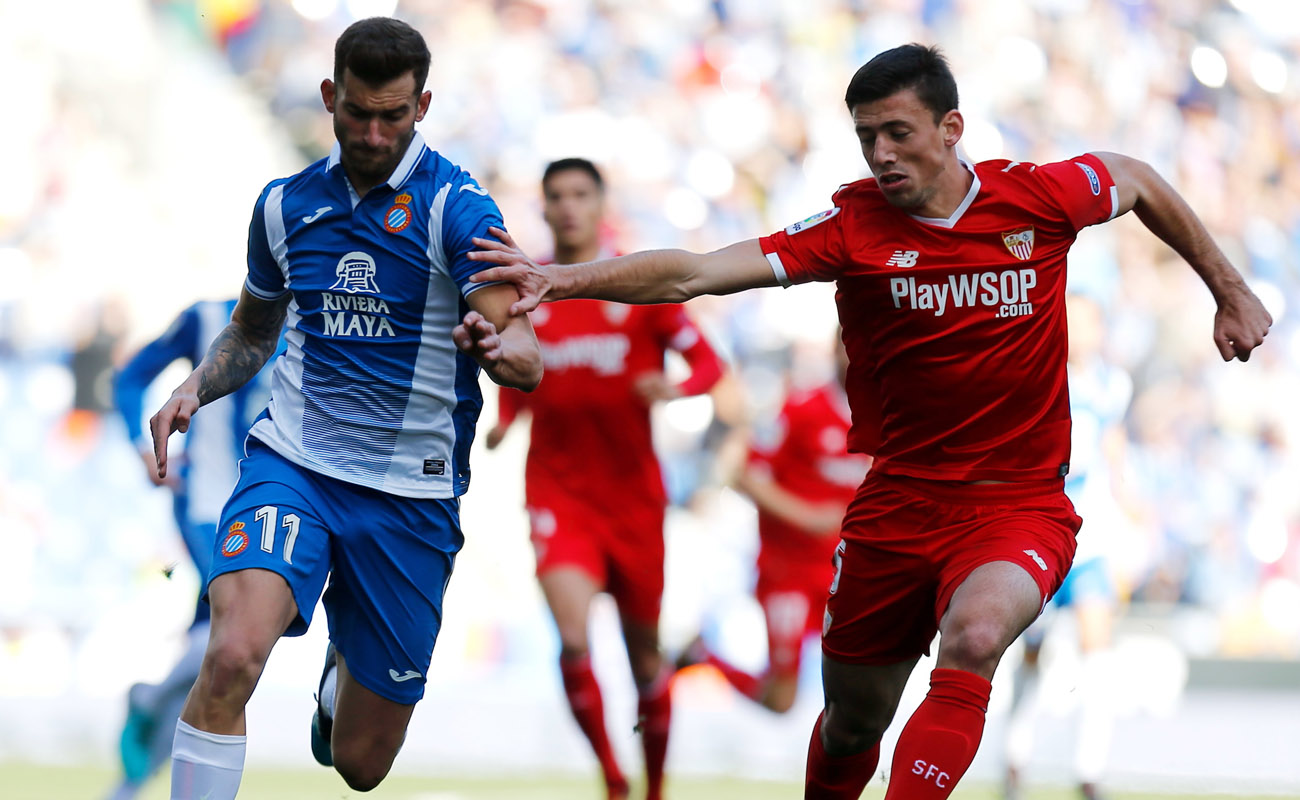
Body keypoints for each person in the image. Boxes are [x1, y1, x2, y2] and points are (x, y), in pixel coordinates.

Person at [466, 43, 1271, 800]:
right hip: (897, 507)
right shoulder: (851, 231)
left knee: (978, 636)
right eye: (866, 137)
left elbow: (1136, 179)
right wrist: (564, 279)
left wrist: (1228, 289)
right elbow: (697, 273)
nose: (880, 153)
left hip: (1018, 503)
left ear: (951, 130)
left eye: (898, 132)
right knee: (853, 725)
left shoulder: (1040, 198)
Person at [149, 17, 542, 800]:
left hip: (410, 496)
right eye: (357, 111)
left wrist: (500, 352)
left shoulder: (457, 208)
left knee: (362, 766)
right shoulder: (285, 206)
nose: (371, 131)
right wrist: (198, 384)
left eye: (392, 115)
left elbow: (526, 350)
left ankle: (344, 676)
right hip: (294, 465)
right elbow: (254, 330)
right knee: (230, 654)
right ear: (329, 96)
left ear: (422, 105)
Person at [484, 157, 724, 800]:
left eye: (580, 194)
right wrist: (507, 418)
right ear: (542, 207)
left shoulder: (632, 285)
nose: (567, 207)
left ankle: (654, 788)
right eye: (555, 196)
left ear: (599, 204)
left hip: (635, 500)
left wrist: (673, 388)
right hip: (558, 492)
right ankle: (614, 782)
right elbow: (520, 372)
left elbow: (708, 366)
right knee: (570, 637)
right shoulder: (524, 289)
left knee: (647, 661)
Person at [105, 299, 281, 800]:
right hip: (206, 503)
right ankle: (148, 709)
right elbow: (131, 376)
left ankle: (133, 771)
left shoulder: (322, 318)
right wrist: (143, 449)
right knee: (224, 641)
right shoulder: (208, 318)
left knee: (214, 662)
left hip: (270, 508)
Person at [675, 336, 872, 715]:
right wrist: (806, 516)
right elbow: (743, 474)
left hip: (846, 573)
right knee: (781, 700)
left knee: (861, 689)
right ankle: (702, 656)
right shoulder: (800, 409)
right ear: (834, 349)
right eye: (852, 343)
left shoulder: (883, 416)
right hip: (789, 572)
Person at [1002, 293, 1135, 800]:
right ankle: (1015, 755)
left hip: (1092, 532)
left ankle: (1090, 771)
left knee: (1097, 643)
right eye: (1071, 322)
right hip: (1042, 528)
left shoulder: (1112, 382)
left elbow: (1113, 447)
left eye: (1088, 324)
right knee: (1031, 650)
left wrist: (1131, 506)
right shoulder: (1039, 373)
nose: (1080, 333)